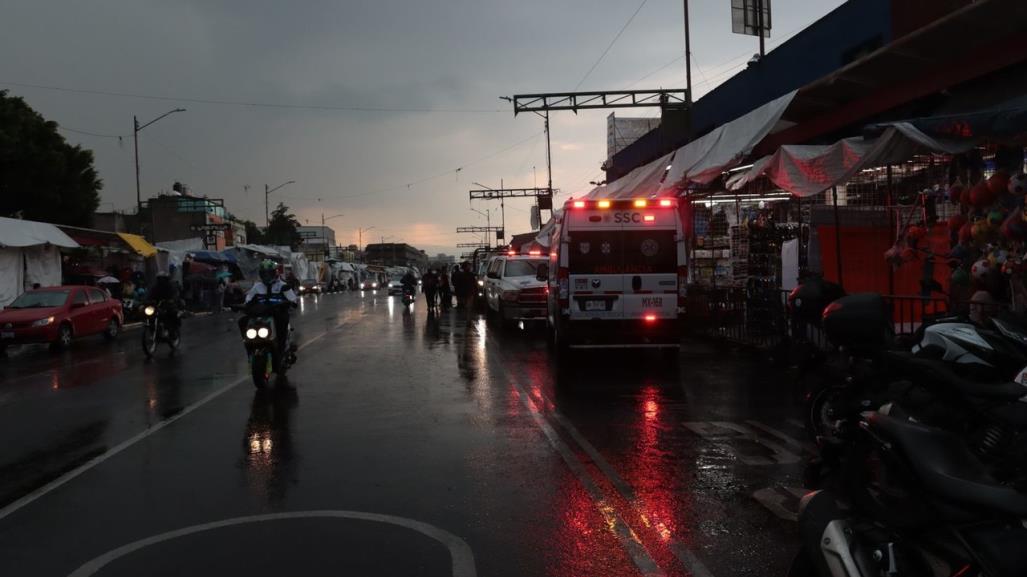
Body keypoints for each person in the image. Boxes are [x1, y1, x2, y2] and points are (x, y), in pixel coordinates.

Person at [240, 260, 299, 355]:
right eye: (264, 274)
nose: (267, 276)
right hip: (261, 315)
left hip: (277, 314)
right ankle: (249, 348)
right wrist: (243, 306)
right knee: (243, 321)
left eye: (269, 273)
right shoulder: (257, 287)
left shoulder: (283, 286)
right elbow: (248, 299)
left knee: (282, 321)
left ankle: (282, 348)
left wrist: (288, 303)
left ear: (275, 272)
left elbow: (293, 300)